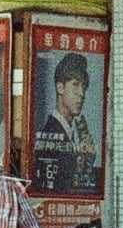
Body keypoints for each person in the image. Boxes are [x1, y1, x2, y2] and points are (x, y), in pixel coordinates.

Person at [34, 50, 99, 194]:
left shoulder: (72, 132)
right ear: (60, 87)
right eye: (75, 85)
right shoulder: (51, 131)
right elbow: (63, 184)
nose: (81, 94)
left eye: (84, 87)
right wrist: (85, 160)